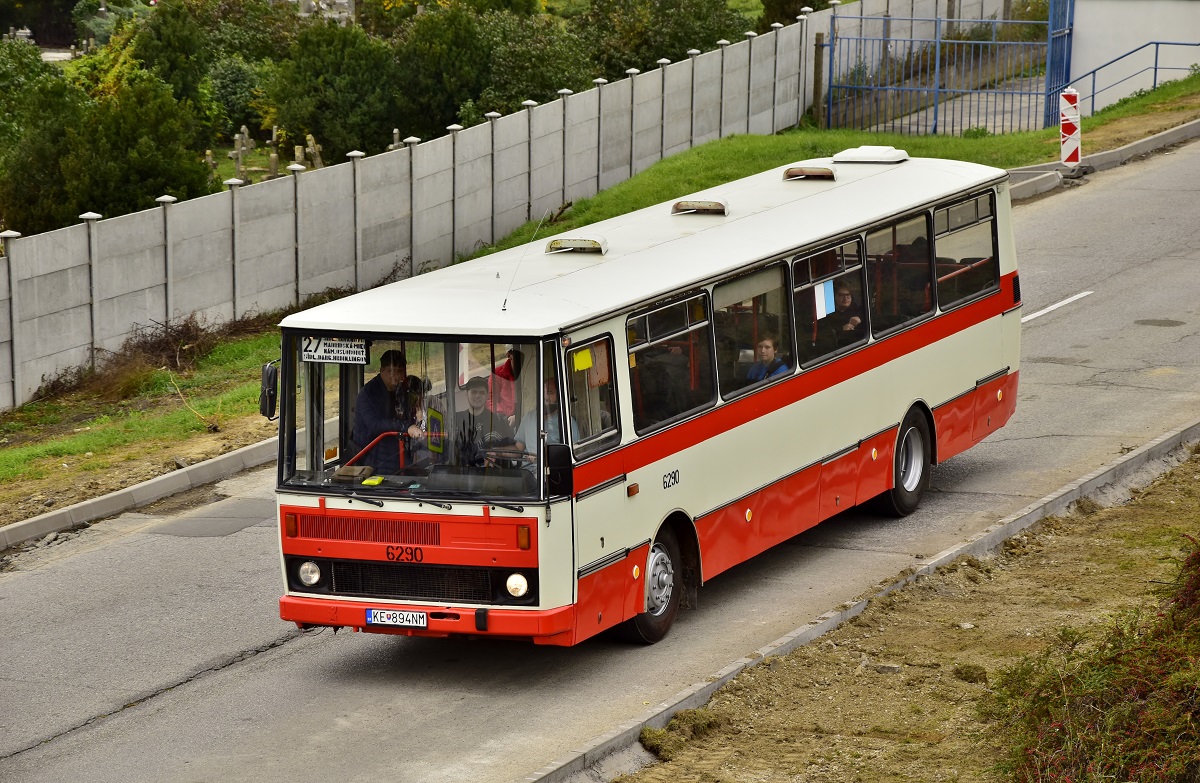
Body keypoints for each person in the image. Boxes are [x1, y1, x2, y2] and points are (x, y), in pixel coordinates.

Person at [350, 350, 425, 474]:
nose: (396, 375)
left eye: (399, 371)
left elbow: (405, 417)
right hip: (370, 458)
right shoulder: (369, 393)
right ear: (382, 370)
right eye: (391, 371)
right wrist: (405, 427)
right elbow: (375, 425)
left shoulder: (400, 391)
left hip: (395, 452)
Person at [454, 375, 516, 466]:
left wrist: (496, 452)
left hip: (493, 475)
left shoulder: (499, 421)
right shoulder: (456, 419)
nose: (478, 395)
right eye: (474, 392)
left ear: (487, 395)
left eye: (482, 393)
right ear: (466, 393)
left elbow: (512, 451)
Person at [515, 378, 580, 457]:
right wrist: (498, 452)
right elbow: (518, 448)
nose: (545, 397)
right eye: (543, 392)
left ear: (559, 395)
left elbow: (571, 456)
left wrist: (541, 458)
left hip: (551, 469)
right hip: (526, 469)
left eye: (550, 392)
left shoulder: (567, 423)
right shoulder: (528, 417)